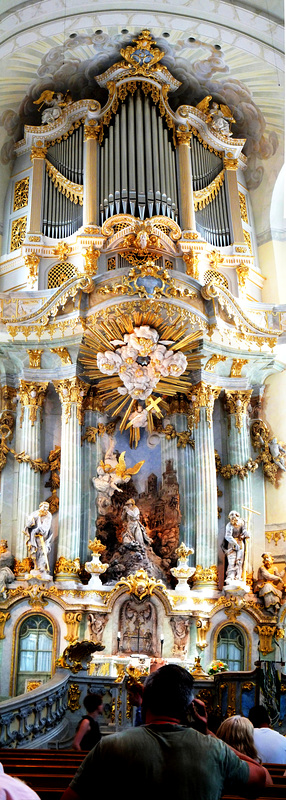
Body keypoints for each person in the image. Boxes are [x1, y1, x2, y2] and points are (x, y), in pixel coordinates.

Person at [61, 664, 272, 800]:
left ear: (146, 702)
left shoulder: (110, 746)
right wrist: (207, 732)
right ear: (189, 707)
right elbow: (265, 780)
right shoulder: (215, 750)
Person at [25, 501, 52, 577]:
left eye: (47, 507)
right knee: (34, 550)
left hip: (42, 536)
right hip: (33, 536)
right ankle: (35, 566)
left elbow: (46, 525)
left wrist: (39, 529)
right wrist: (31, 522)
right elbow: (29, 523)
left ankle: (41, 566)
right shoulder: (34, 513)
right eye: (44, 506)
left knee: (42, 550)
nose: (45, 509)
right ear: (40, 506)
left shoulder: (48, 515)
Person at [223, 510, 250, 585]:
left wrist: (246, 534)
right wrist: (235, 544)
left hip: (240, 542)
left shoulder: (242, 522)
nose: (234, 519)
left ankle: (238, 576)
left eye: (235, 516)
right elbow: (227, 536)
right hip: (232, 544)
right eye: (232, 517)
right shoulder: (229, 525)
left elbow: (244, 531)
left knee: (239, 561)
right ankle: (230, 577)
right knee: (231, 561)